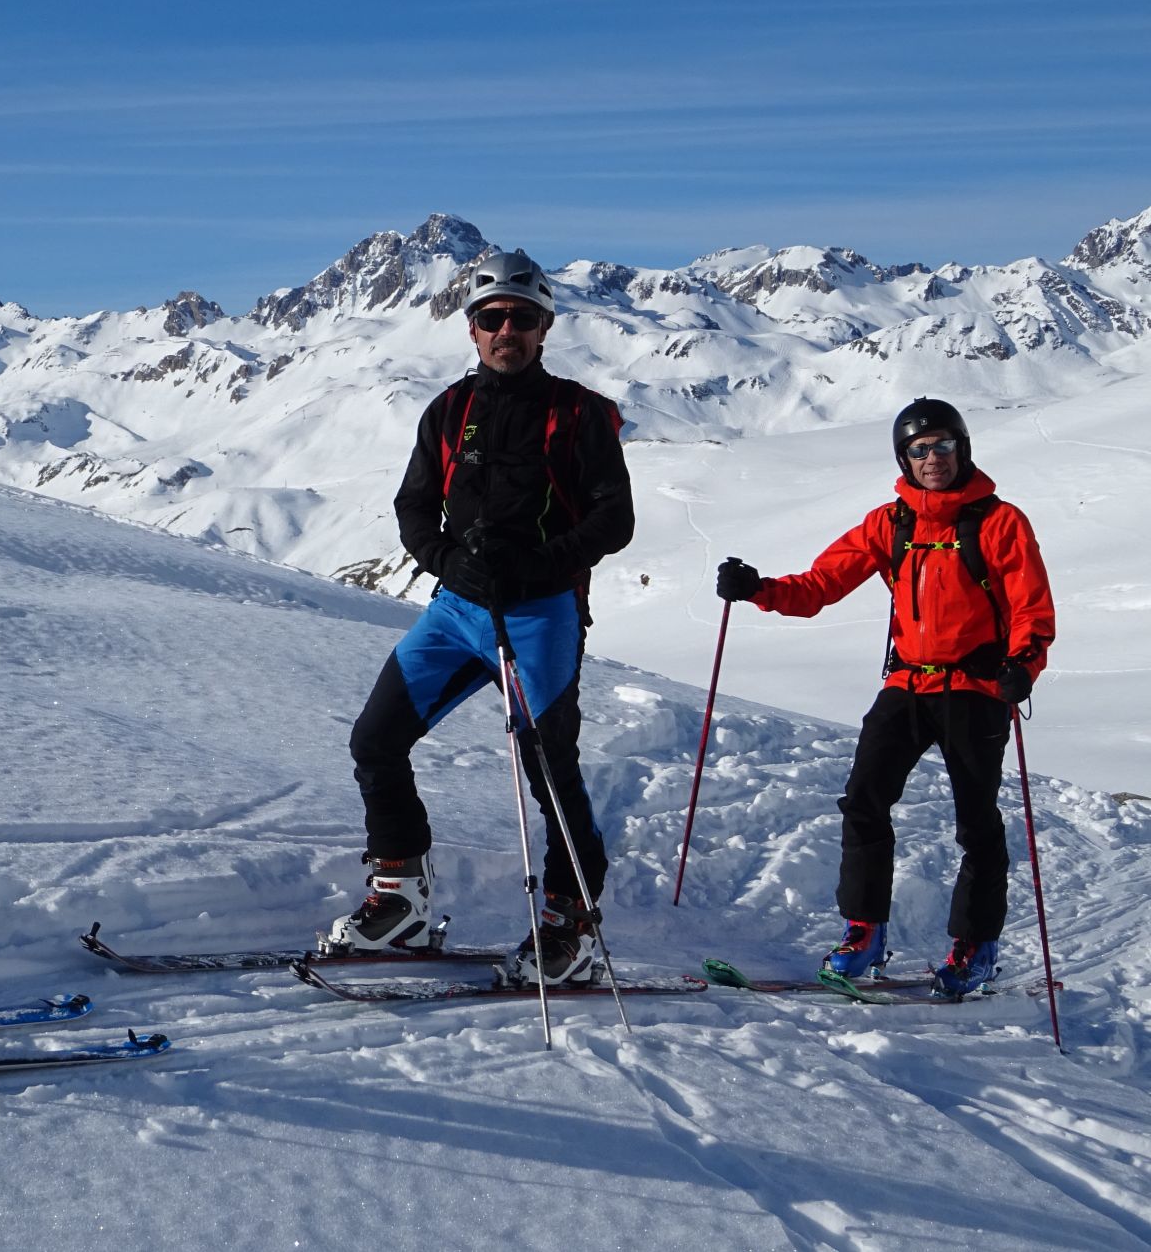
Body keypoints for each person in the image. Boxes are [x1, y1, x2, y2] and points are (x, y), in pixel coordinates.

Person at [324, 249, 635, 986]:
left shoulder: (578, 414)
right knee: (376, 740)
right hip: (458, 611)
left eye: (521, 318)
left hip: (541, 615)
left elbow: (614, 520)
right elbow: (413, 507)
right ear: (471, 328)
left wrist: (537, 565)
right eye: (492, 318)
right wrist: (446, 561)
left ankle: (571, 923)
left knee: (551, 770)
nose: (506, 331)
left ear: (544, 327)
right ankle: (400, 900)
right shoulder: (448, 411)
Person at [715, 397, 1055, 995]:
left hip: (976, 689)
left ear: (962, 448)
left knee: (976, 822)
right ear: (904, 458)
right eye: (919, 450)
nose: (932, 458)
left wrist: (1023, 665)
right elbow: (821, 584)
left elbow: (1032, 607)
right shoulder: (890, 523)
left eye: (943, 445)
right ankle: (864, 932)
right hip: (908, 684)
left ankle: (975, 946)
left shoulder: (1000, 522)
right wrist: (759, 589)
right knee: (864, 801)